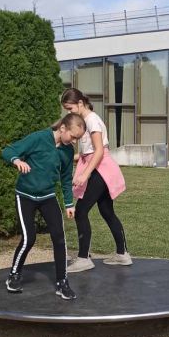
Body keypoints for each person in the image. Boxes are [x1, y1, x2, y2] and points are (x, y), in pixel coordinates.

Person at [1, 112, 86, 300]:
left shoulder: (67, 151)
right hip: (25, 196)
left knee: (59, 238)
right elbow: (8, 151)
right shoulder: (38, 138)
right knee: (29, 238)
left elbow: (65, 179)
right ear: (62, 128)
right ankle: (14, 275)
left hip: (48, 197)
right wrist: (17, 160)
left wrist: (69, 204)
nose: (74, 141)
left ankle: (62, 283)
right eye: (73, 136)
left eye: (77, 139)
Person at [60, 87, 131, 271]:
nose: (68, 113)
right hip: (99, 168)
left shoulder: (92, 120)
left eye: (70, 108)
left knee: (81, 211)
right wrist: (66, 157)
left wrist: (85, 174)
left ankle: (84, 258)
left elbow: (99, 151)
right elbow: (88, 153)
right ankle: (122, 254)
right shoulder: (85, 121)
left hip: (101, 169)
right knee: (107, 211)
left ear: (80, 103)